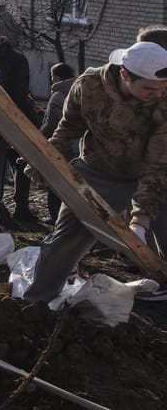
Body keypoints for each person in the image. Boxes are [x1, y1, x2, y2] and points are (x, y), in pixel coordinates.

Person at [23, 41, 167, 303]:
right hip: (100, 172)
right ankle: (37, 303)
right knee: (66, 240)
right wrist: (45, 162)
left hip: (155, 175)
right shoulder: (89, 86)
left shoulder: (164, 98)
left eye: (162, 89)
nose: (157, 94)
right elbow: (68, 128)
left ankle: (162, 285)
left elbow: (158, 163)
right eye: (149, 89)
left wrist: (140, 222)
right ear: (125, 75)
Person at [0, 17, 42, 227]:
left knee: (20, 167)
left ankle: (20, 208)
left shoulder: (15, 59)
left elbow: (19, 93)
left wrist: (12, 127)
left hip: (13, 122)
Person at [38, 62, 76, 224]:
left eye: (52, 76)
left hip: (59, 146)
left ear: (57, 78)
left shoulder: (58, 96)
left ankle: (56, 218)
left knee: (55, 183)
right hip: (76, 147)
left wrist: (38, 139)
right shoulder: (78, 90)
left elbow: (51, 124)